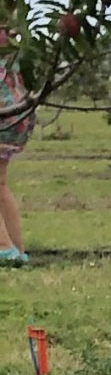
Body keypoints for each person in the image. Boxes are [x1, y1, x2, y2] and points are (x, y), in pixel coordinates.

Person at [0, 26, 32, 266]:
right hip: (18, 111)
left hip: (3, 110)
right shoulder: (10, 30)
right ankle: (17, 249)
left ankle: (3, 247)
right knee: (0, 183)